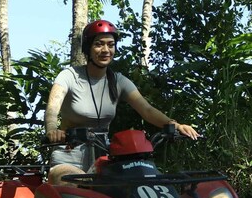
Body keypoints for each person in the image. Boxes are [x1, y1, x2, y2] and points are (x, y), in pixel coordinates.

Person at [45, 19, 199, 184]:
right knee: (70, 189)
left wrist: (174, 125)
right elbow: (52, 109)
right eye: (99, 44)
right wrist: (53, 130)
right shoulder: (69, 76)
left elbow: (146, 109)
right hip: (70, 153)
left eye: (110, 45)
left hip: (104, 154)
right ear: (88, 47)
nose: (106, 50)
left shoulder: (118, 81)